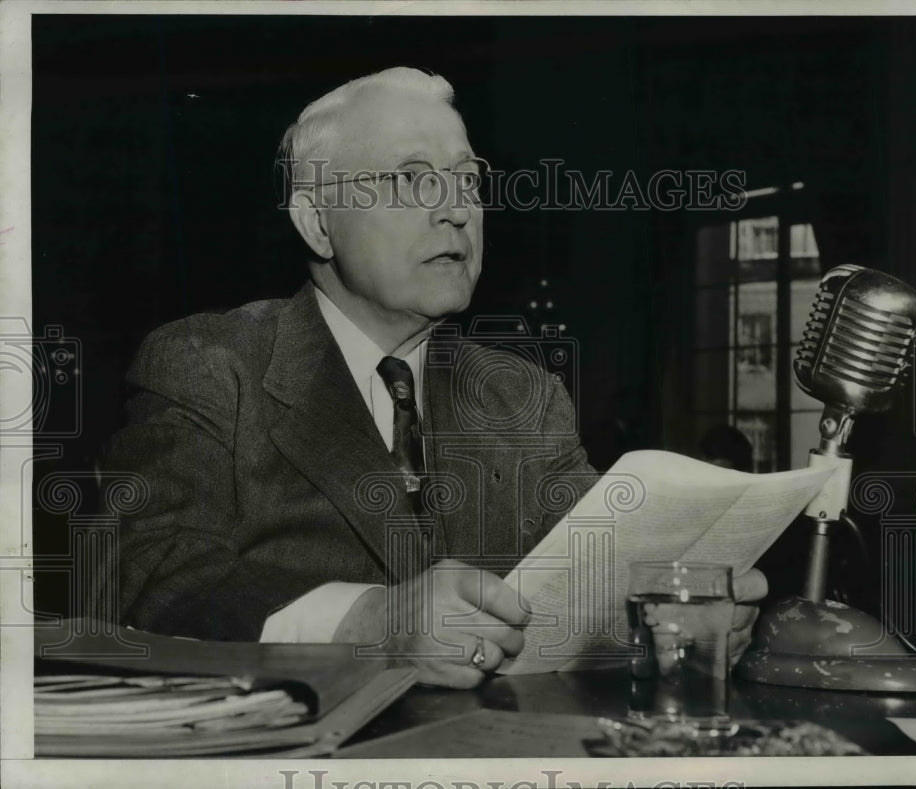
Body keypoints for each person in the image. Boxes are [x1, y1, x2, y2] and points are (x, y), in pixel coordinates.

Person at [98, 67, 765, 688]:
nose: (454, 210)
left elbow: (597, 580)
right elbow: (150, 571)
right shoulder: (210, 364)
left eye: (467, 180)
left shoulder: (522, 396)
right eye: (411, 179)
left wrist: (672, 619)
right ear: (317, 221)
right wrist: (371, 626)